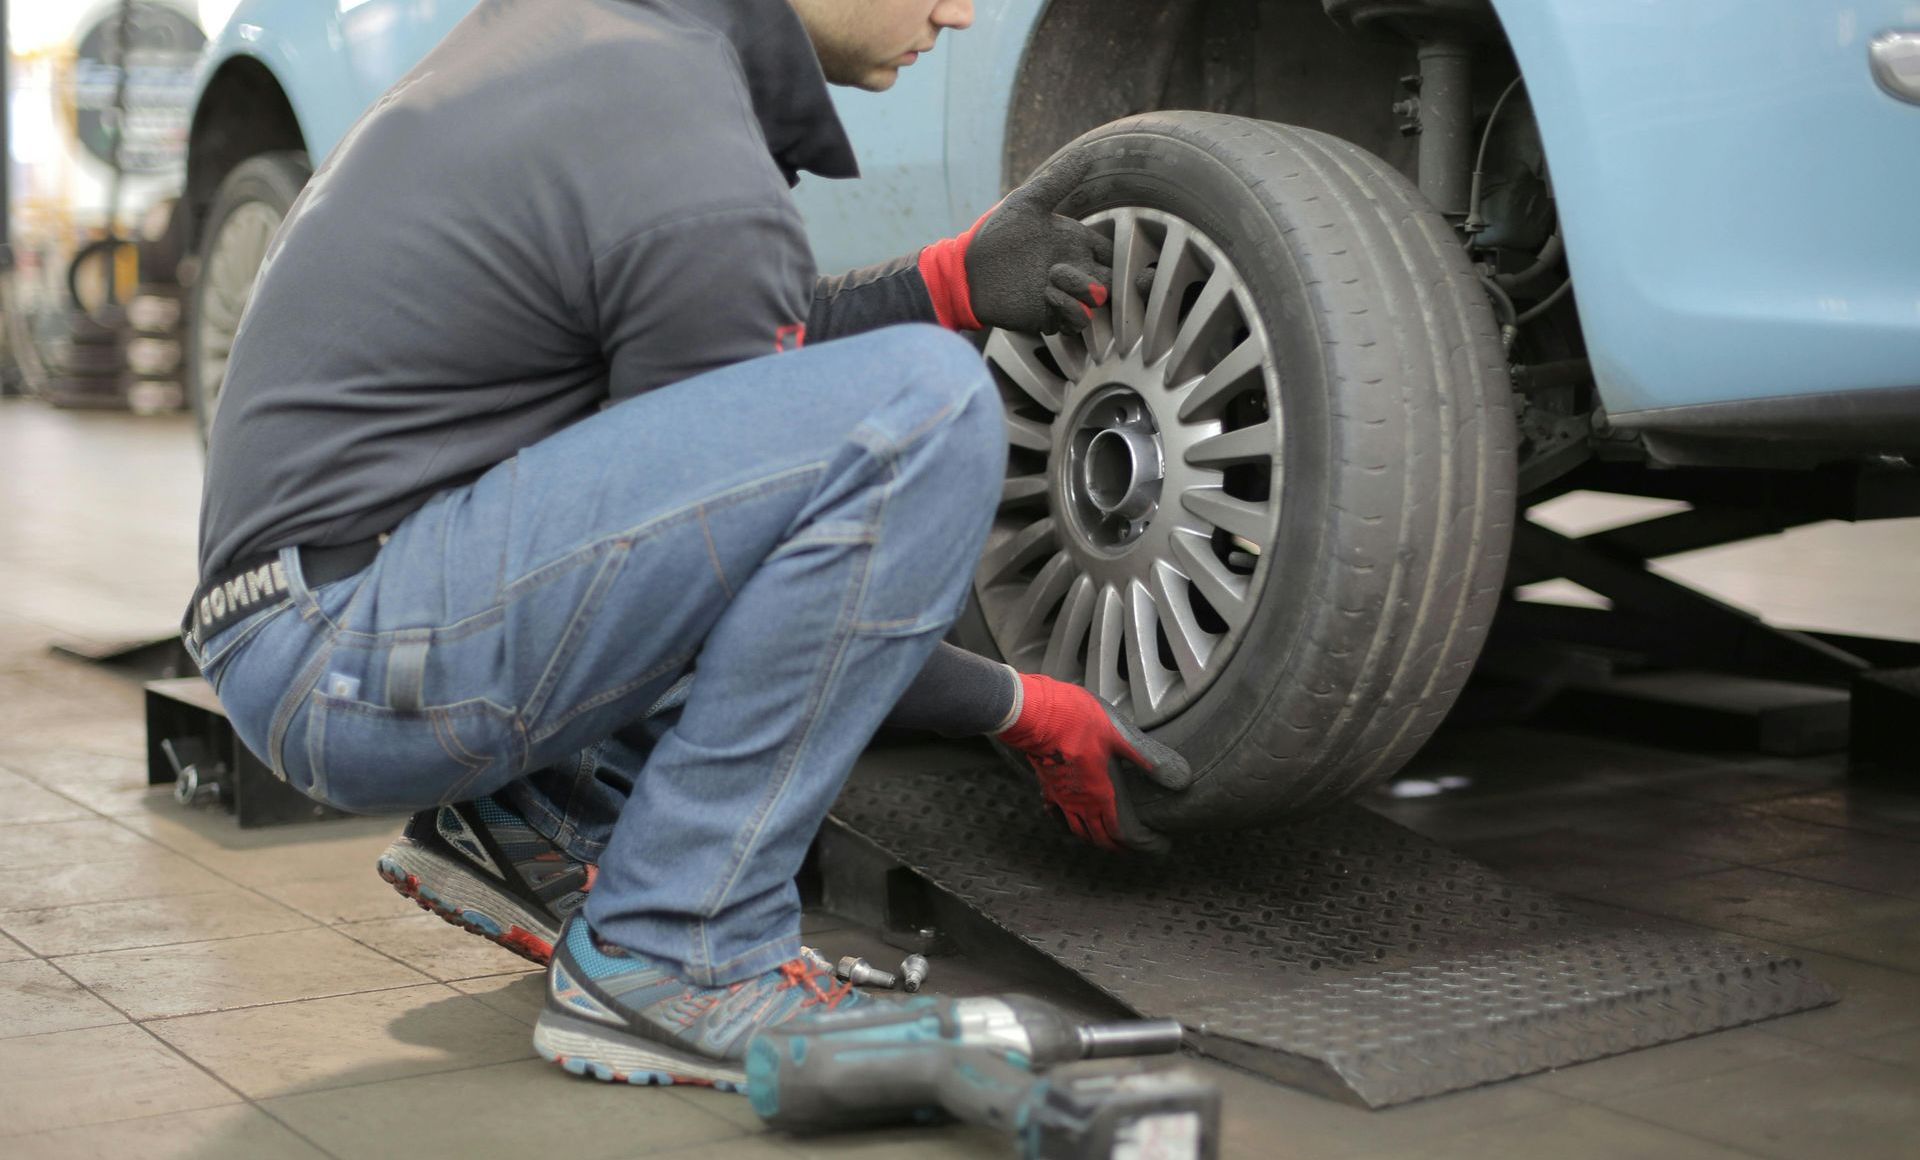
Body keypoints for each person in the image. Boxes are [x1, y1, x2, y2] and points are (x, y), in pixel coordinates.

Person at [183, 0, 1190, 1090]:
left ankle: (542, 817)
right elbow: (738, 557)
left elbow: (708, 398)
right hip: (355, 652)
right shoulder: (682, 132)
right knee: (929, 411)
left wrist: (942, 283)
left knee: (860, 407)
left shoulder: (620, 49)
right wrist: (1015, 703)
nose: (957, 10)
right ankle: (683, 943)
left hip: (320, 617)